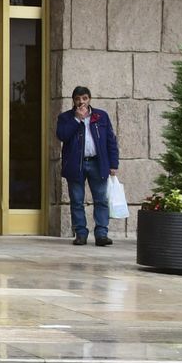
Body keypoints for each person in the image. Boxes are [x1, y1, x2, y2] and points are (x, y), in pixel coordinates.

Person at [57, 85, 119, 247]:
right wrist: (77, 119)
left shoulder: (101, 116)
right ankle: (81, 234)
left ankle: (101, 234)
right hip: (75, 164)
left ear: (89, 99)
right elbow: (62, 135)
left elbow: (110, 141)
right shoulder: (66, 117)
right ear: (73, 100)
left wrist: (113, 164)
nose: (81, 102)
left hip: (97, 163)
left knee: (101, 200)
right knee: (77, 200)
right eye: (77, 99)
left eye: (84, 98)